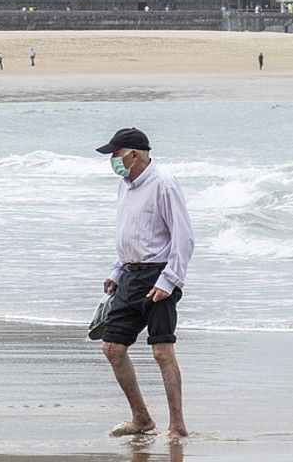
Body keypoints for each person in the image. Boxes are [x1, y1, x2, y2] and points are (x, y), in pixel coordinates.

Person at [95, 127, 194, 440]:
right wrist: (116, 271)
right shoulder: (125, 186)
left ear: (134, 154)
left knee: (162, 351)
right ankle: (141, 418)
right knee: (112, 347)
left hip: (159, 275)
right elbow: (129, 233)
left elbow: (183, 236)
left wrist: (170, 279)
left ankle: (177, 426)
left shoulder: (163, 184)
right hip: (130, 275)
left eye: (116, 154)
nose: (112, 160)